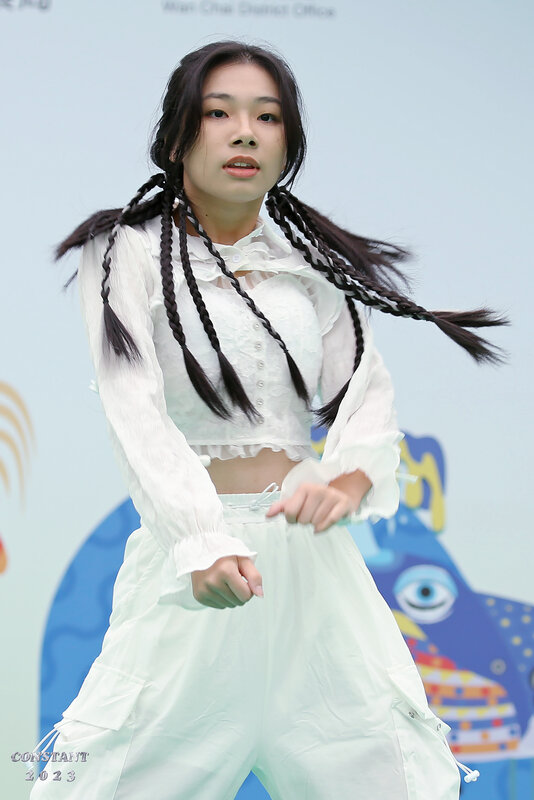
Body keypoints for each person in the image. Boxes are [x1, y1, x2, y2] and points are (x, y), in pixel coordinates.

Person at [28, 39, 503, 799]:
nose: (244, 132)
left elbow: (365, 393)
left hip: (314, 577)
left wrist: (344, 480)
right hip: (195, 575)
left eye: (267, 117)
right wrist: (199, 540)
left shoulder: (310, 259)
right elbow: (132, 407)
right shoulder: (124, 253)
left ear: (289, 144)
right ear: (177, 136)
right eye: (219, 113)